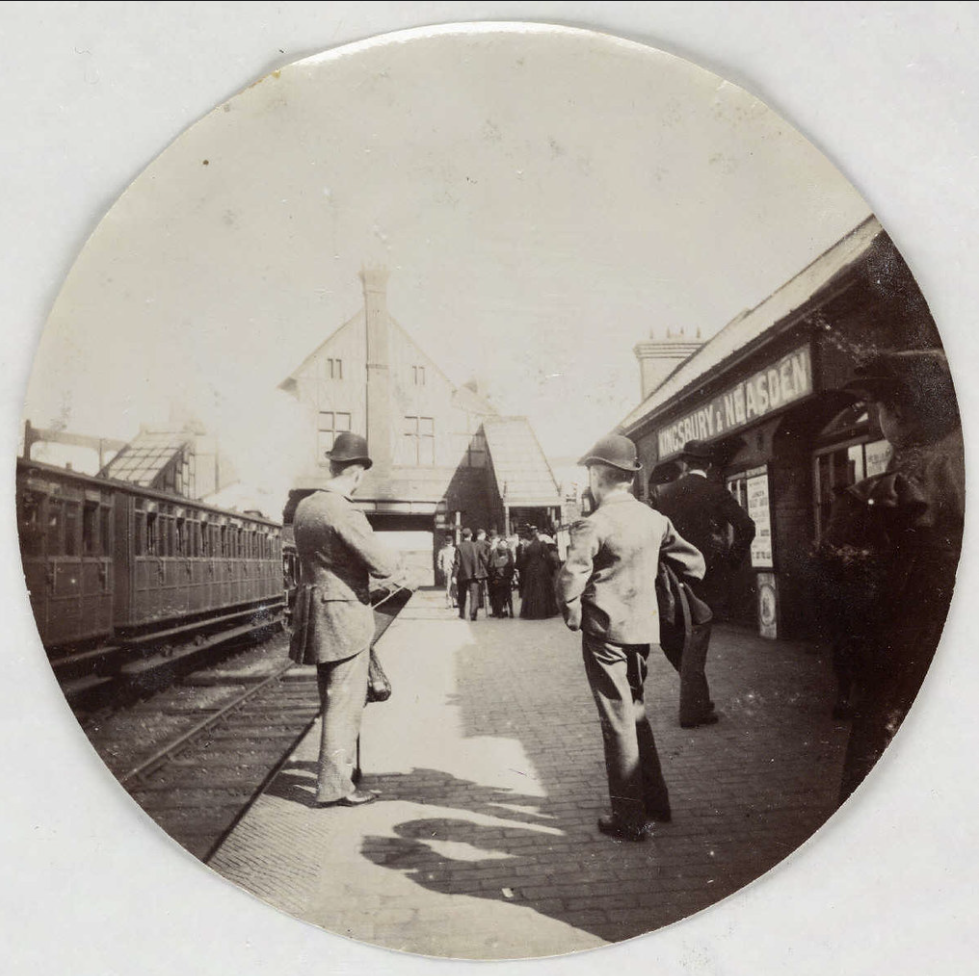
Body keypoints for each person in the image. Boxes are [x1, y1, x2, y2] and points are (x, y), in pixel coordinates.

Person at [818, 350, 964, 805]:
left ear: (898, 412)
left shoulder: (895, 490)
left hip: (908, 666)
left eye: (878, 407)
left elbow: (844, 596)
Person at [556, 434, 705, 842]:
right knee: (635, 711)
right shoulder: (654, 519)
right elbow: (694, 563)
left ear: (596, 476)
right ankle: (656, 802)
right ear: (630, 477)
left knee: (617, 720)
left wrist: (573, 614)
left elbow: (571, 576)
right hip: (643, 630)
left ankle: (628, 818)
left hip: (604, 632)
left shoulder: (595, 523)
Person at [289, 431, 405, 808]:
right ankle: (335, 787)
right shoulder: (344, 510)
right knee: (345, 705)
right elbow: (383, 565)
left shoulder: (305, 506)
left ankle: (339, 775)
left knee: (332, 699)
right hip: (345, 618)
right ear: (357, 472)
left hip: (315, 615)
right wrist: (397, 559)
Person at [650, 439, 755, 728]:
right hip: (708, 579)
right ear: (708, 464)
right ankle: (693, 710)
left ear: (685, 463)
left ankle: (699, 701)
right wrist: (731, 561)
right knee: (696, 640)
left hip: (671, 579)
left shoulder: (666, 495)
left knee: (677, 641)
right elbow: (747, 526)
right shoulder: (715, 491)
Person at [519, 526, 560, 619]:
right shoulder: (542, 543)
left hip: (531, 569)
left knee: (531, 590)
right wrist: (551, 567)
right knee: (543, 589)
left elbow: (524, 559)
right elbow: (548, 557)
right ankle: (544, 611)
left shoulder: (527, 545)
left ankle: (531, 613)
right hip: (542, 568)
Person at [453, 527, 489, 621]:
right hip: (474, 574)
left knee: (462, 595)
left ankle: (462, 614)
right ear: (471, 535)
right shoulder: (476, 546)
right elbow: (484, 559)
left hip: (462, 575)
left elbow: (457, 563)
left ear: (462, 536)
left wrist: (454, 575)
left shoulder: (459, 547)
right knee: (474, 595)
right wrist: (487, 569)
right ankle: (473, 615)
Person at [487, 538, 515, 617]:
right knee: (508, 595)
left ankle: (500, 613)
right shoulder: (508, 552)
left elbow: (491, 566)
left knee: (499, 595)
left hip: (498, 579)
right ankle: (511, 611)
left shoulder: (494, 552)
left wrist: (494, 577)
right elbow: (512, 565)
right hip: (507, 578)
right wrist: (511, 576)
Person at [437, 533, 457, 608]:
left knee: (451, 586)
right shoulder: (453, 550)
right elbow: (439, 561)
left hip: (451, 570)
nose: (449, 544)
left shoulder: (443, 551)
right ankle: (451, 602)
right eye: (448, 542)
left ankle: (452, 602)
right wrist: (441, 569)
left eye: (449, 542)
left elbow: (438, 561)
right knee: (451, 586)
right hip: (450, 570)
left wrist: (441, 569)